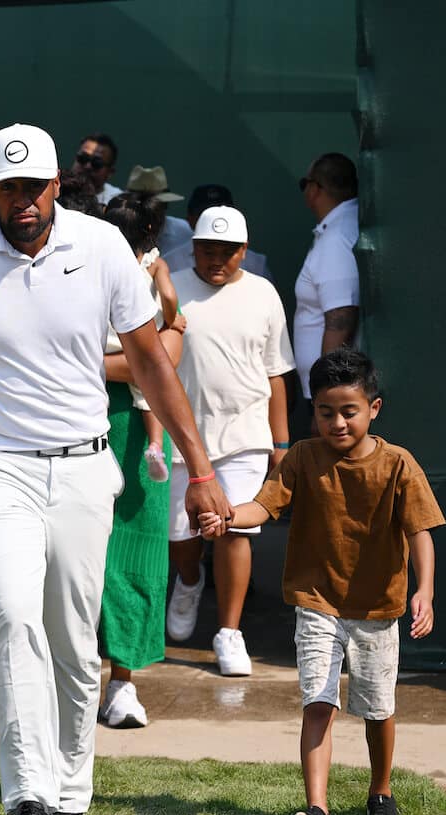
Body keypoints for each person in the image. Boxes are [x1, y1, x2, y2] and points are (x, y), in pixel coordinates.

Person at [0, 123, 230, 815]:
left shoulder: (103, 247)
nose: (20, 202)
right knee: (13, 620)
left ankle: (72, 793)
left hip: (86, 470)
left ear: (58, 185)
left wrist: (201, 469)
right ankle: (28, 800)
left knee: (75, 643)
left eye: (33, 186)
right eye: (5, 189)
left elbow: (152, 365)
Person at [199, 347, 445, 815]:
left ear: (374, 408)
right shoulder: (301, 459)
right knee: (318, 701)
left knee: (377, 708)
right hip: (316, 603)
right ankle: (317, 809)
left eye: (348, 412)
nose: (336, 422)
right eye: (325, 411)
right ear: (313, 411)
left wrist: (426, 591)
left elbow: (420, 530)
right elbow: (263, 508)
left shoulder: (398, 464)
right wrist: (227, 517)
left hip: (379, 608)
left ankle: (381, 790)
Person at [166, 206, 295, 676]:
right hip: (182, 436)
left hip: (245, 435)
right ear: (193, 248)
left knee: (236, 530)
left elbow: (276, 373)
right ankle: (188, 579)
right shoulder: (172, 288)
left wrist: (280, 444)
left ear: (244, 251)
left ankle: (229, 633)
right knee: (182, 535)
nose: (217, 259)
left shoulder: (263, 293)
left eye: (228, 251)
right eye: (207, 250)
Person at [97, 193, 186, 728]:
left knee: (135, 557)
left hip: (135, 434)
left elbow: (160, 363)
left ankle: (123, 684)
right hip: (79, 422)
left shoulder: (153, 272)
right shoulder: (84, 274)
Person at [102, 192, 178, 485]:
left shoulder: (102, 262)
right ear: (149, 229)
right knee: (148, 392)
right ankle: (155, 445)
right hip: (137, 339)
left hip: (106, 340)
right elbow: (169, 295)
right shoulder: (154, 262)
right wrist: (173, 320)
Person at [294, 153, 360, 407]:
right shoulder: (340, 229)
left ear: (315, 188)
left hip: (332, 397)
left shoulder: (336, 238)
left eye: (305, 184)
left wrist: (328, 397)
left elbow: (340, 317)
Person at [164, 184, 273, 282]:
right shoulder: (169, 263)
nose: (217, 262)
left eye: (228, 253)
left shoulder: (257, 265)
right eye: (205, 215)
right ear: (189, 220)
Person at [123, 164, 192, 256]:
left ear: (165, 205)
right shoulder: (116, 231)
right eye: (140, 207)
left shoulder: (184, 231)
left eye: (153, 205)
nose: (148, 212)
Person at [71, 132, 122, 207]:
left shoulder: (117, 202)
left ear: (110, 172)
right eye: (83, 158)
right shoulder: (55, 190)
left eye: (97, 163)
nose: (87, 166)